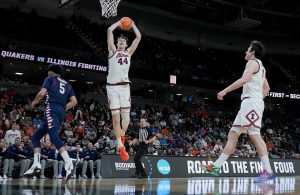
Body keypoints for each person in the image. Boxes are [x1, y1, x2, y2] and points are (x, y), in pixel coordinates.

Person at [201, 40, 275, 182]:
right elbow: (267, 89)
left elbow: (244, 80)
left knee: (254, 136)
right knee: (233, 133)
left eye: (247, 50)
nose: (245, 52)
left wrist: (224, 91)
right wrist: (259, 99)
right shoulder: (262, 68)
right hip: (251, 102)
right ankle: (216, 167)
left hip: (251, 102)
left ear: (252, 52)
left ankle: (268, 172)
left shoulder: (252, 62)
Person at [23, 64, 78, 180]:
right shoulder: (68, 85)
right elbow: (74, 102)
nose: (48, 73)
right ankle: (36, 164)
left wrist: (34, 102)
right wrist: (63, 109)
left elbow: (42, 93)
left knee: (53, 137)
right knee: (36, 137)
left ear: (51, 72)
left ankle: (69, 162)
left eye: (48, 72)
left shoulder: (50, 79)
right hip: (61, 111)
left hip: (51, 108)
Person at [106, 17, 142, 161]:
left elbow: (139, 36)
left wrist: (132, 24)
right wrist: (119, 23)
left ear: (126, 44)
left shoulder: (129, 53)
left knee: (126, 120)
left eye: (123, 41)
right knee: (116, 118)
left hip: (125, 88)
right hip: (112, 88)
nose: (121, 42)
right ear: (116, 43)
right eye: (119, 40)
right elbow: (109, 30)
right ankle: (120, 145)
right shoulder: (112, 51)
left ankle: (121, 137)